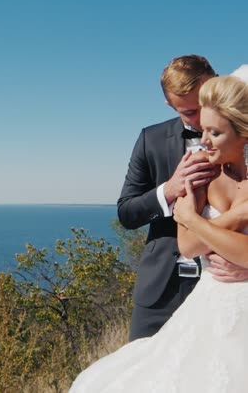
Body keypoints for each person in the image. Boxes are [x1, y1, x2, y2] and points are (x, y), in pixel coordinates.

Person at [70, 73, 248, 392]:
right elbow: (183, 241)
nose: (201, 136)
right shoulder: (186, 159)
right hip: (187, 295)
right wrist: (229, 215)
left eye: (213, 130)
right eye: (192, 116)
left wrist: (198, 221)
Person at [117, 55, 248, 341]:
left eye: (203, 105)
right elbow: (127, 213)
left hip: (230, 289)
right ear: (169, 104)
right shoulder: (150, 140)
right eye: (189, 112)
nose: (201, 121)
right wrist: (170, 189)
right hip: (161, 289)